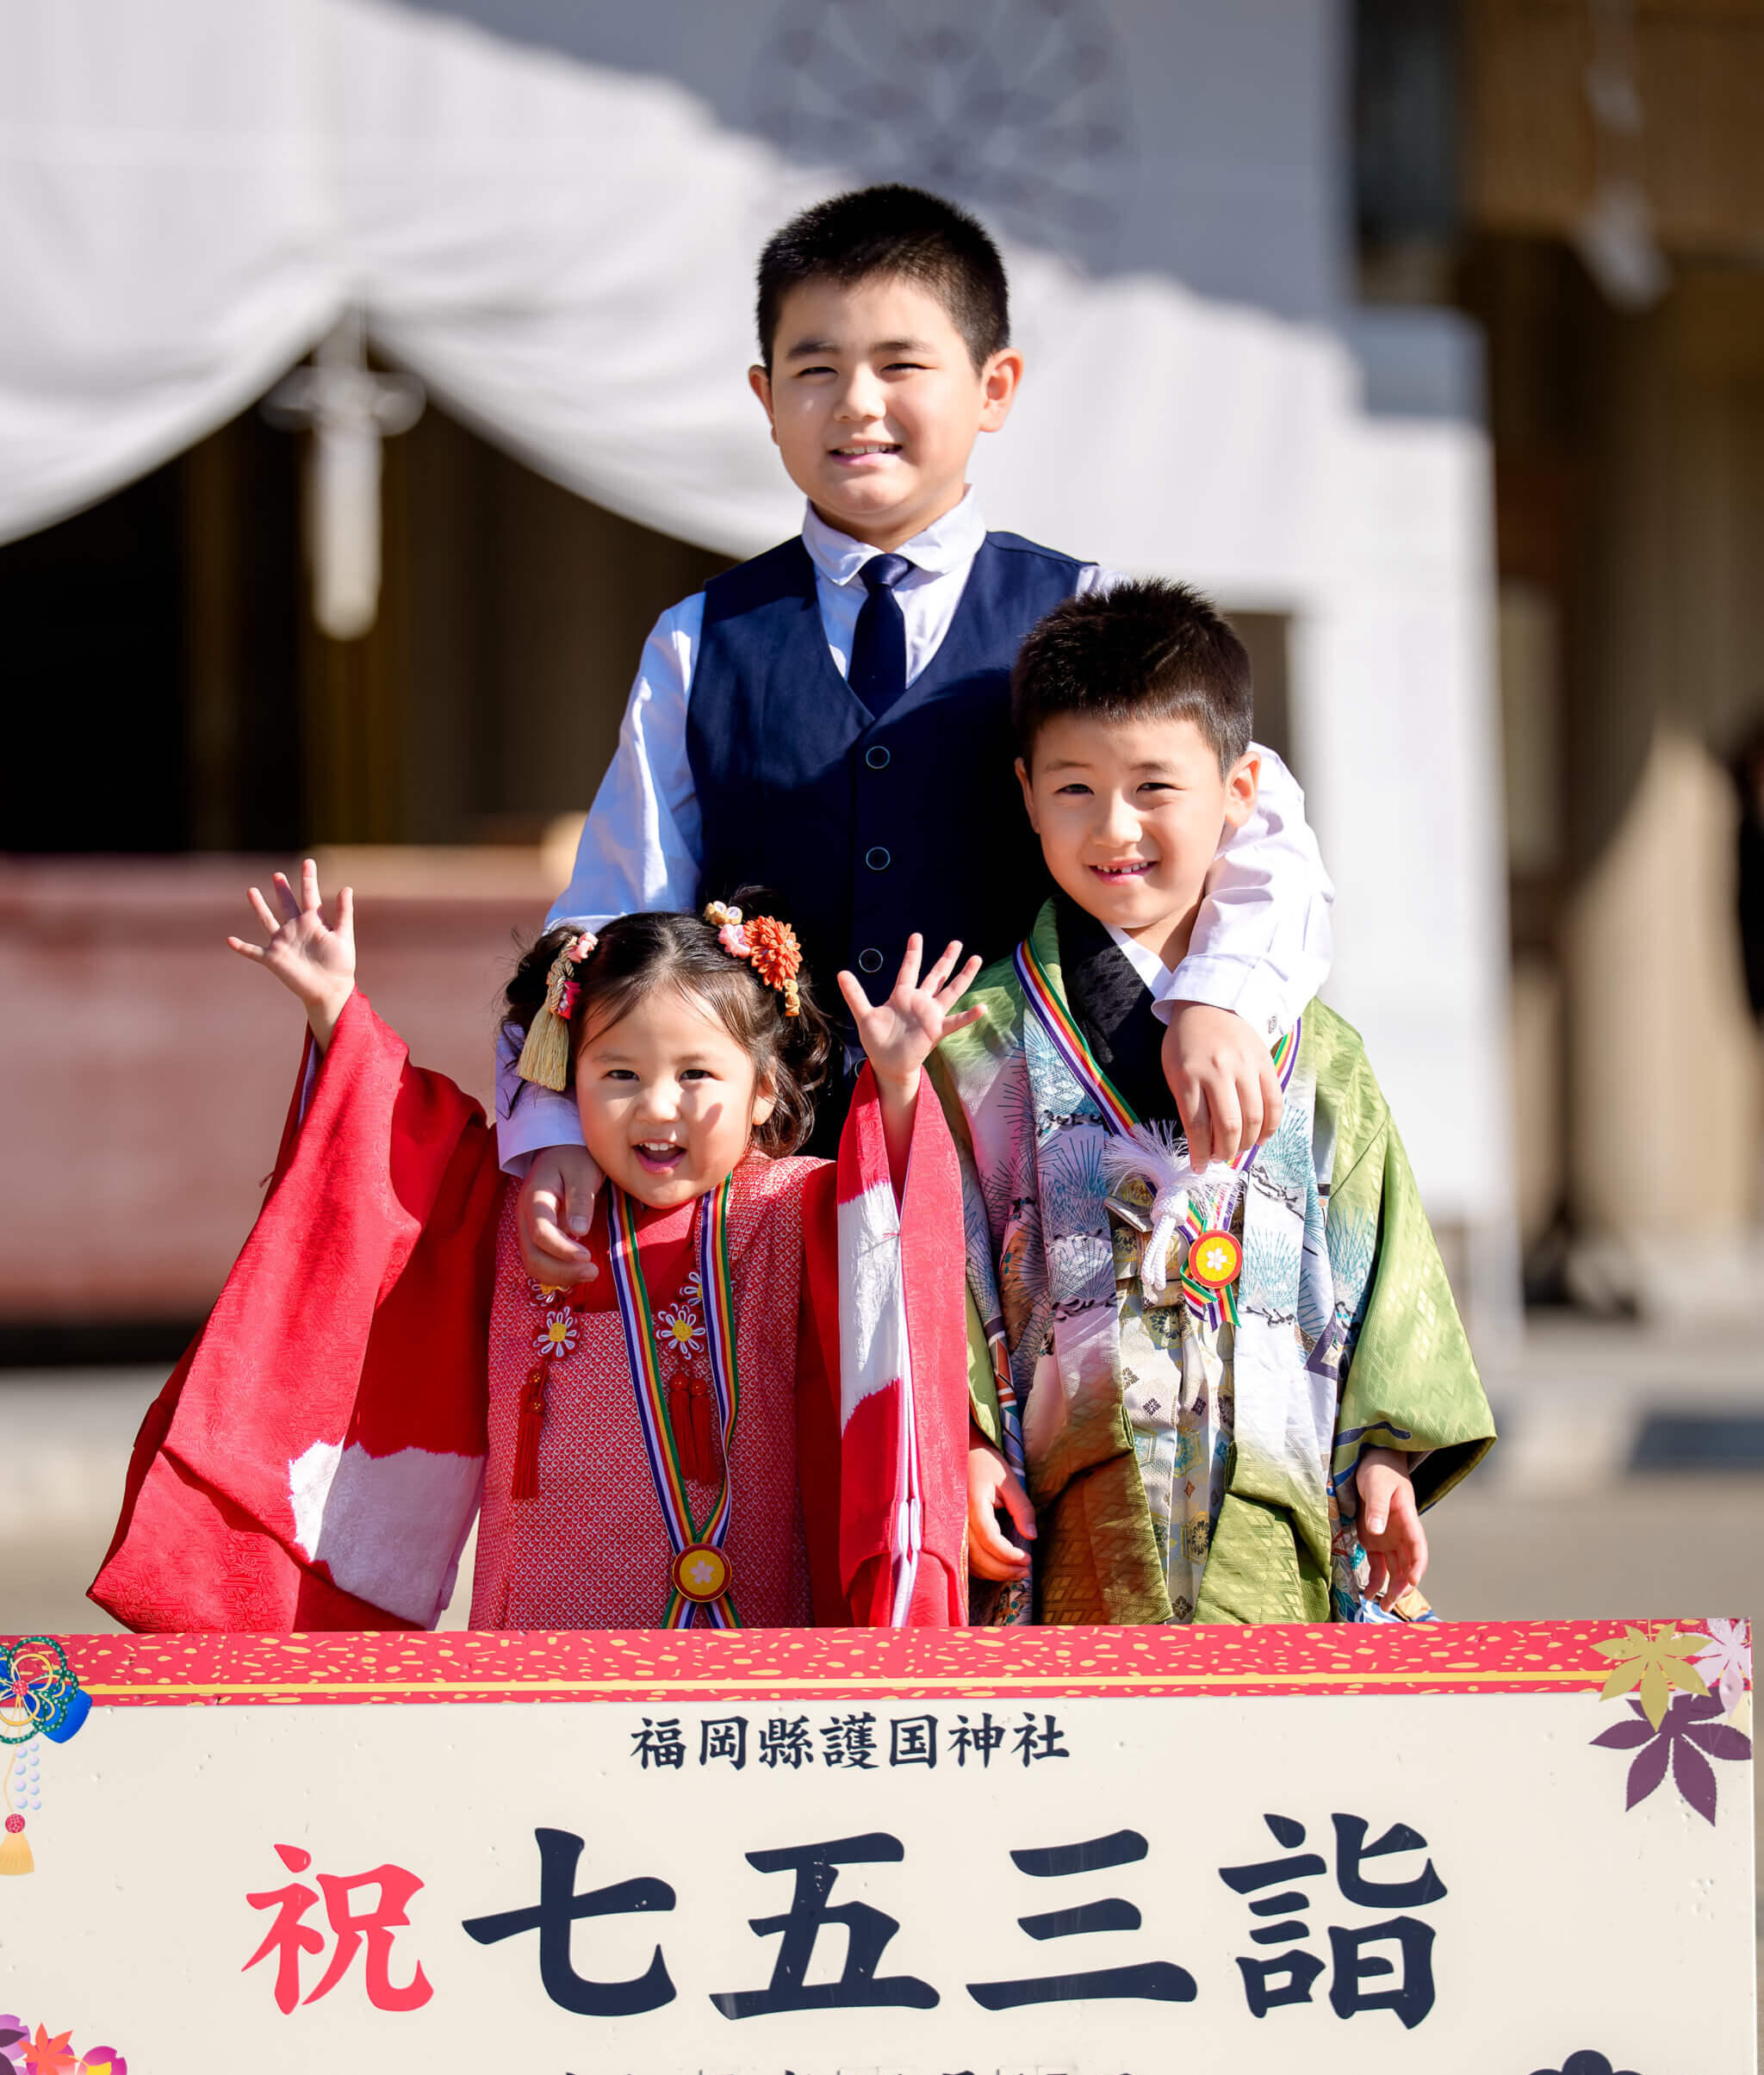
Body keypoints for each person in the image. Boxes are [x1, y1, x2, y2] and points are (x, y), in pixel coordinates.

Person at [506, 181, 1335, 1297]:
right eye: (814, 369)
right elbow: (617, 908)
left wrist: (1222, 997)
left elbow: (1255, 831)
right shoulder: (702, 642)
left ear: (995, 388)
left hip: (1045, 1183)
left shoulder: (1085, 614)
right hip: (774, 1192)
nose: (856, 403)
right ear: (764, 397)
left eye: (901, 365)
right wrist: (556, 1123)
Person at [90, 864, 981, 1635]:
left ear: (763, 1091)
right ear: (565, 1082)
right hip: (546, 1636)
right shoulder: (514, 1210)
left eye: (696, 1074)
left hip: (751, 1633)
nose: (656, 1106)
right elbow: (388, 1161)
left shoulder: (796, 1207)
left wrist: (897, 1086)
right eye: (618, 1074)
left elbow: (893, 1247)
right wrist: (334, 1010)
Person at [935, 582, 1495, 1627]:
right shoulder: (974, 1044)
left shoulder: (1315, 1049)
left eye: (1155, 787)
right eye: (1072, 789)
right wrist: (960, 1440)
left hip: (1277, 1512)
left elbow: (1382, 1264)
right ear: (1022, 791)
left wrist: (1382, 1452)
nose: (1115, 828)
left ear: (1239, 791)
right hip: (1063, 1515)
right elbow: (942, 1265)